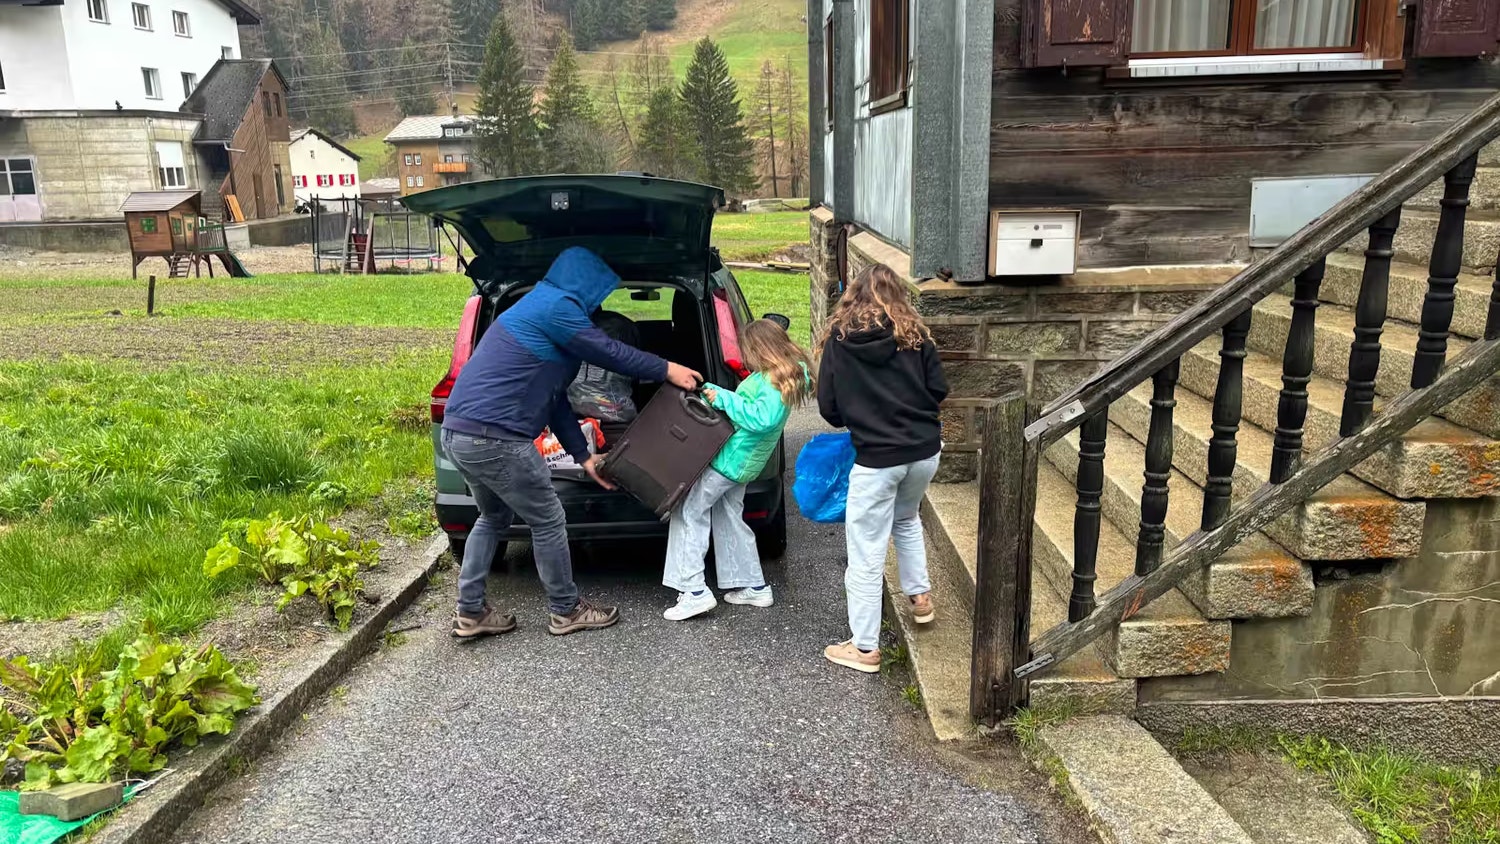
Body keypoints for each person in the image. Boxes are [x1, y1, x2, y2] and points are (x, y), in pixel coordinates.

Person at [442, 246, 701, 638]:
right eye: (599, 291)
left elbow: (555, 400)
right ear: (585, 283)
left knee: (493, 517)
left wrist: (584, 456)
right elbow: (608, 350)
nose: (599, 303)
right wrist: (667, 368)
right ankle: (566, 610)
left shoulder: (537, 306)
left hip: (459, 433)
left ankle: (471, 612)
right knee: (548, 518)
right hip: (497, 438)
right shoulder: (557, 307)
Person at [816, 263, 948, 673]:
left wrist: (864, 417)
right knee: (906, 519)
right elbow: (939, 389)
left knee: (866, 551)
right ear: (898, 295)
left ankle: (864, 648)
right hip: (924, 452)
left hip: (876, 460)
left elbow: (829, 409)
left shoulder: (839, 342)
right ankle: (920, 597)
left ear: (853, 295)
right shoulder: (916, 336)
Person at [661, 319, 814, 621]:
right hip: (744, 462)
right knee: (729, 514)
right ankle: (752, 585)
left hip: (731, 461)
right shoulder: (784, 375)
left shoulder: (772, 380)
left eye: (747, 350)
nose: (745, 356)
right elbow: (754, 410)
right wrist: (720, 394)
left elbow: (762, 419)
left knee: (690, 511)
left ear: (761, 349)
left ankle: (693, 591)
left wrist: (725, 398)